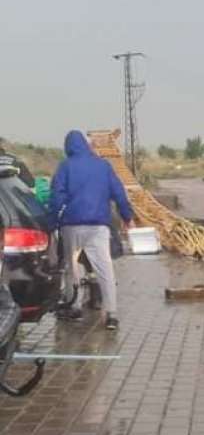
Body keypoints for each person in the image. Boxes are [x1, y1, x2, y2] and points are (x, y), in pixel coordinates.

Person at [49, 131, 134, 330]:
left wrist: (52, 222)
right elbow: (118, 192)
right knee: (105, 268)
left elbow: (57, 197)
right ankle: (111, 314)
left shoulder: (65, 166)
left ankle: (74, 306)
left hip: (72, 225)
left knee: (73, 266)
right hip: (98, 226)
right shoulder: (103, 165)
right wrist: (127, 217)